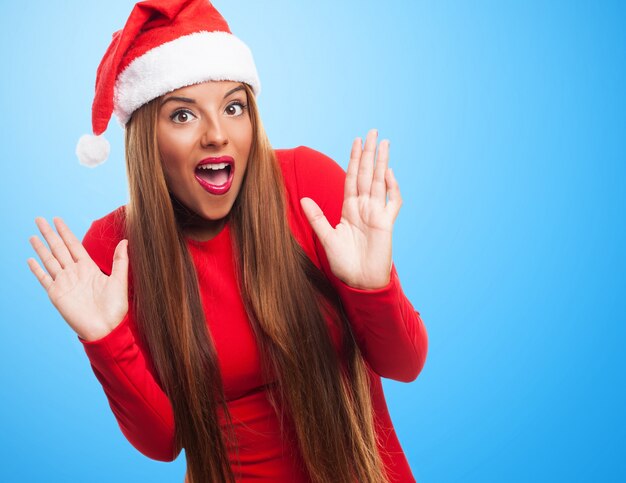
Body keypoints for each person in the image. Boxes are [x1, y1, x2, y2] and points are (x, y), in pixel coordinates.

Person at [27, 1, 428, 482]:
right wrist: (106, 340)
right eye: (182, 116)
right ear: (145, 138)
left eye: (233, 107)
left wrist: (371, 287)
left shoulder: (307, 185)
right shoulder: (114, 250)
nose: (217, 135)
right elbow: (163, 443)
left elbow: (404, 365)